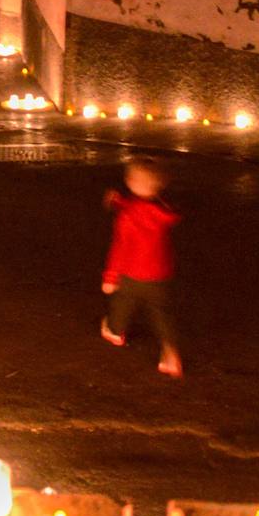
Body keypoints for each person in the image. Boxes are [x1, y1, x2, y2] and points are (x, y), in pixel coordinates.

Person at [100, 155, 183, 377]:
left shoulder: (127, 216)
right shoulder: (163, 210)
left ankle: (115, 331)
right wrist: (119, 201)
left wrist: (110, 277)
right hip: (160, 274)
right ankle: (171, 354)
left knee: (122, 303)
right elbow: (143, 208)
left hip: (132, 273)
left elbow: (120, 247)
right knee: (161, 313)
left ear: (132, 183)